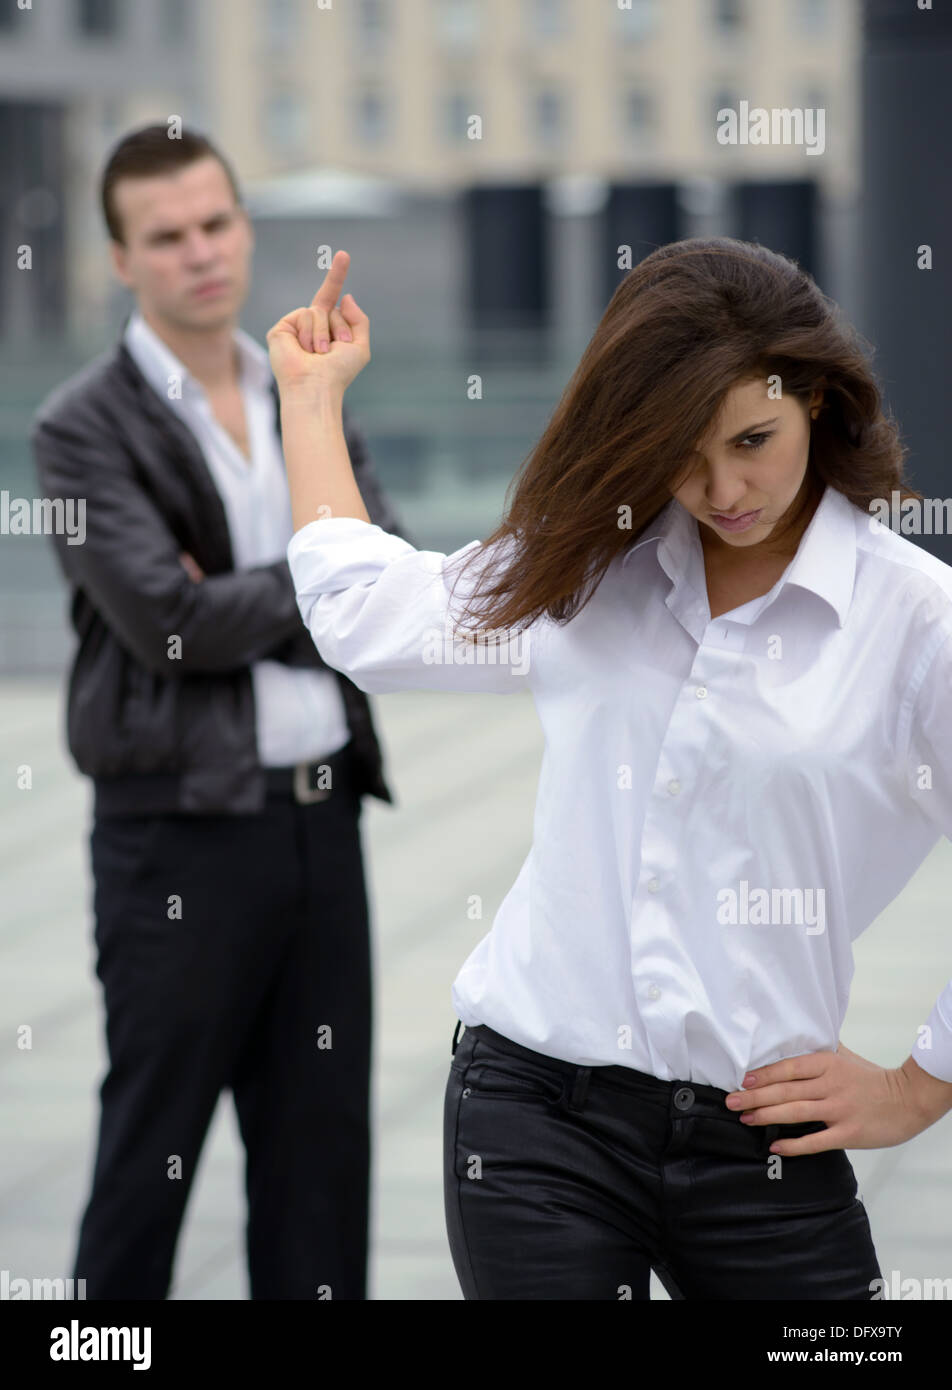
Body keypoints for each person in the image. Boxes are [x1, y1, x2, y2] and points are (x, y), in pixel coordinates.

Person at [271, 236, 952, 1301]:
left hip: (762, 1136)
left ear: (817, 399)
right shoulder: (595, 565)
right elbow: (363, 616)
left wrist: (922, 1084)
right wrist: (310, 403)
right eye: (682, 453)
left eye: (753, 439)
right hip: (536, 1117)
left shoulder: (914, 620)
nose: (723, 488)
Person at [30, 124, 410, 1300]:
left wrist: (246, 590)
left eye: (214, 224)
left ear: (244, 229)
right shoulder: (80, 425)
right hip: (176, 836)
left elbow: (381, 575)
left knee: (320, 1158)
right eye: (165, 236)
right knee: (153, 1153)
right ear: (118, 259)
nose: (199, 253)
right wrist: (313, 587)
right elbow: (163, 623)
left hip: (319, 821)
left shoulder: (307, 383)